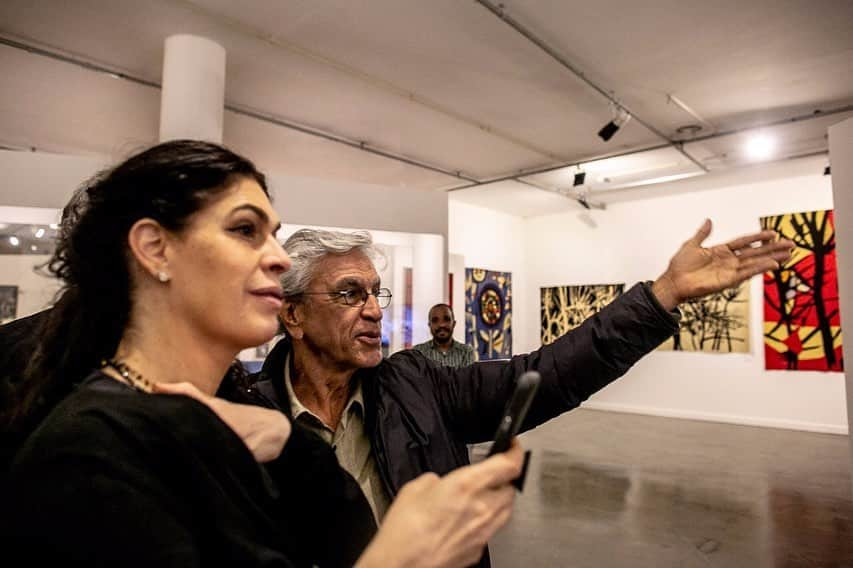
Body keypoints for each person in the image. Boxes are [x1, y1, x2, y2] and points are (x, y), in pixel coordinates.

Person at [1, 140, 524, 568]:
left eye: (272, 235)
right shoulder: (88, 458)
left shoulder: (207, 420)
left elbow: (340, 540)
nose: (277, 258)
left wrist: (290, 444)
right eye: (245, 230)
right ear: (156, 250)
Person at [253, 225, 793, 567]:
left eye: (376, 292)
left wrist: (662, 296)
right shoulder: (246, 422)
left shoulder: (416, 384)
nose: (373, 309)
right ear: (293, 314)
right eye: (350, 293)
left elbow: (549, 373)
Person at [412, 303, 476, 367]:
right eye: (435, 320)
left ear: (453, 324)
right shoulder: (418, 352)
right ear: (429, 325)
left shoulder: (466, 352)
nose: (441, 325)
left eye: (446, 319)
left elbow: (468, 376)